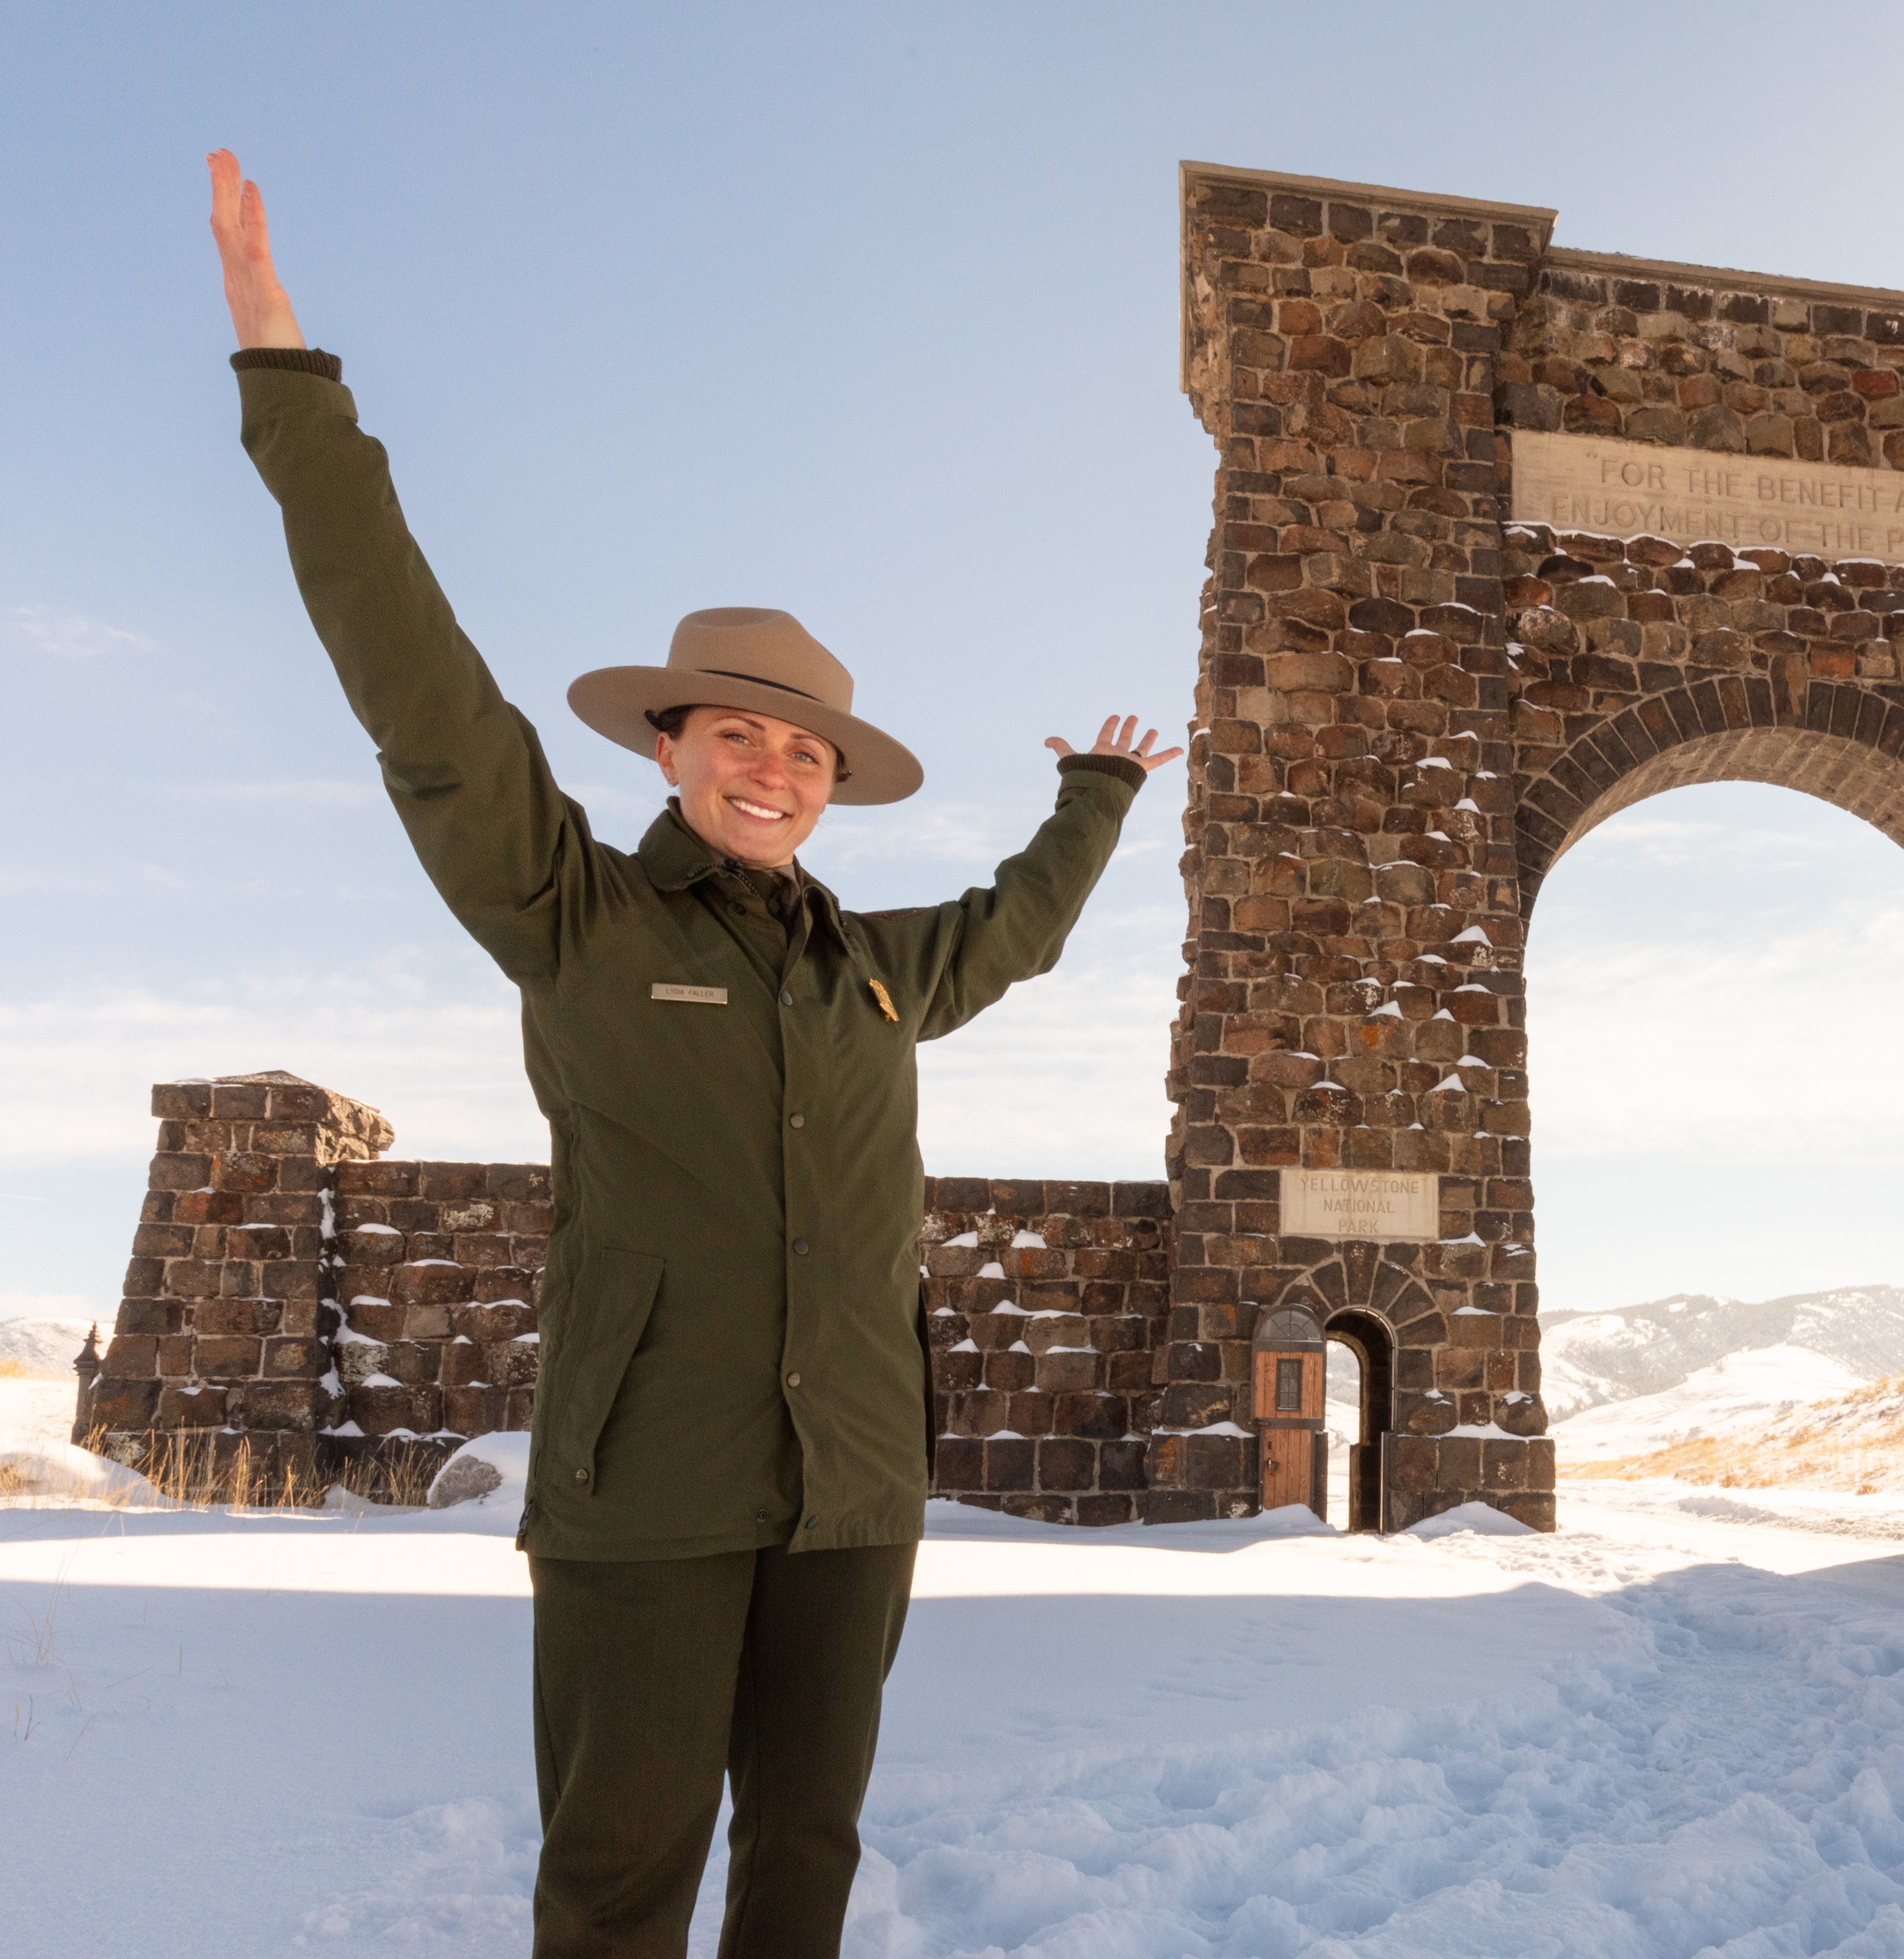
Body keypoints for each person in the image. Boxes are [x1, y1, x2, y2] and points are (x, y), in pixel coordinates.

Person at [203, 149, 1179, 1957]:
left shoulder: (875, 975)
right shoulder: (576, 918)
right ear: (671, 749)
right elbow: (421, 690)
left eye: (805, 753)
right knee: (622, 1870)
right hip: (643, 1493)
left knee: (804, 1852)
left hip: (855, 1494)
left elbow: (1021, 929)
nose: (774, 771)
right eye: (739, 735)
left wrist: (1095, 798)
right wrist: (289, 383)